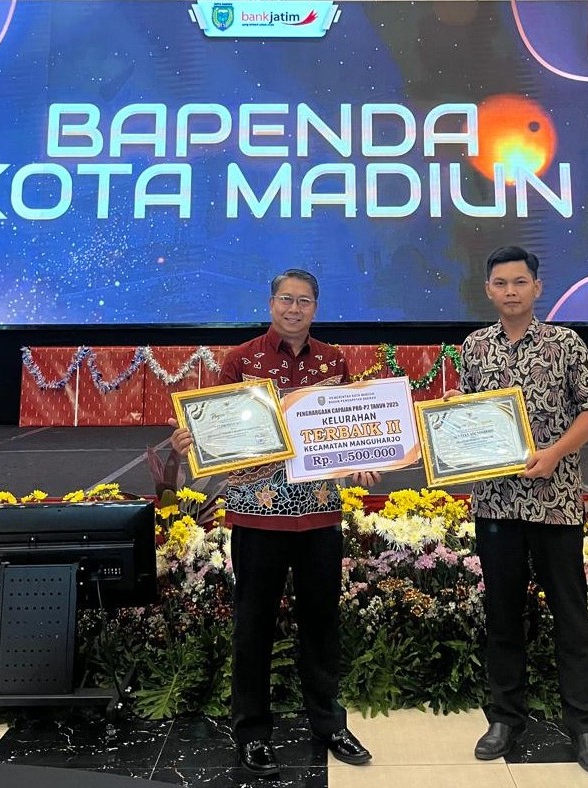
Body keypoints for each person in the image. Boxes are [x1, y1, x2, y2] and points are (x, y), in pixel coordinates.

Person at [169, 269, 378, 778]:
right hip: (257, 514)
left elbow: (347, 430)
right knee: (254, 626)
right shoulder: (241, 360)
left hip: (319, 513)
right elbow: (215, 426)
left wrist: (362, 458)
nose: (294, 308)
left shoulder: (333, 360)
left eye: (304, 301)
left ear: (315, 308)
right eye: (286, 298)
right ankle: (252, 733)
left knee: (321, 626)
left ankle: (328, 724)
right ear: (271, 303)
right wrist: (191, 440)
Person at [452, 245, 588, 776]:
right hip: (495, 503)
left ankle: (584, 725)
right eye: (501, 283)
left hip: (555, 503)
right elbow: (466, 416)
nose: (511, 291)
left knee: (570, 615)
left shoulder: (565, 344)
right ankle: (505, 717)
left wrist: (555, 454)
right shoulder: (475, 348)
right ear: (488, 290)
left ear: (537, 288)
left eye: (520, 282)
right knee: (502, 614)